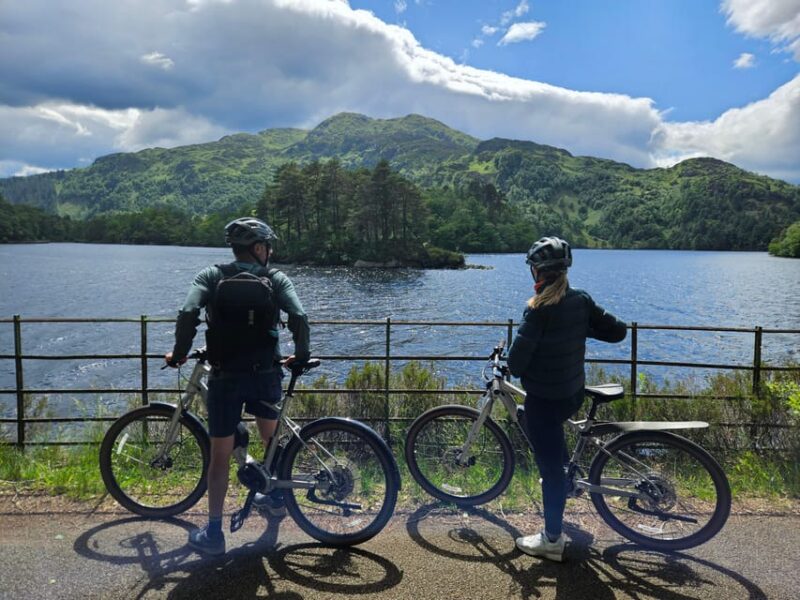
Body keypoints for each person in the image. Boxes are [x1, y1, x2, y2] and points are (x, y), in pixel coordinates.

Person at [165, 216, 310, 556]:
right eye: (267, 247)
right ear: (259, 248)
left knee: (219, 458)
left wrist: (181, 352)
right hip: (266, 374)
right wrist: (301, 356)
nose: (269, 252)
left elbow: (188, 312)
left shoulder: (210, 276)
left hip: (225, 377)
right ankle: (274, 498)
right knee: (269, 438)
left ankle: (214, 534)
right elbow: (299, 317)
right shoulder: (276, 279)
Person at [507, 236, 626, 562]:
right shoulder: (581, 300)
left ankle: (552, 539)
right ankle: (566, 478)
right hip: (571, 394)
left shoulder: (537, 311)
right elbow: (618, 331)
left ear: (538, 273)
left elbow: (516, 366)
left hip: (545, 400)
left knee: (549, 468)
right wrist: (578, 327)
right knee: (549, 442)